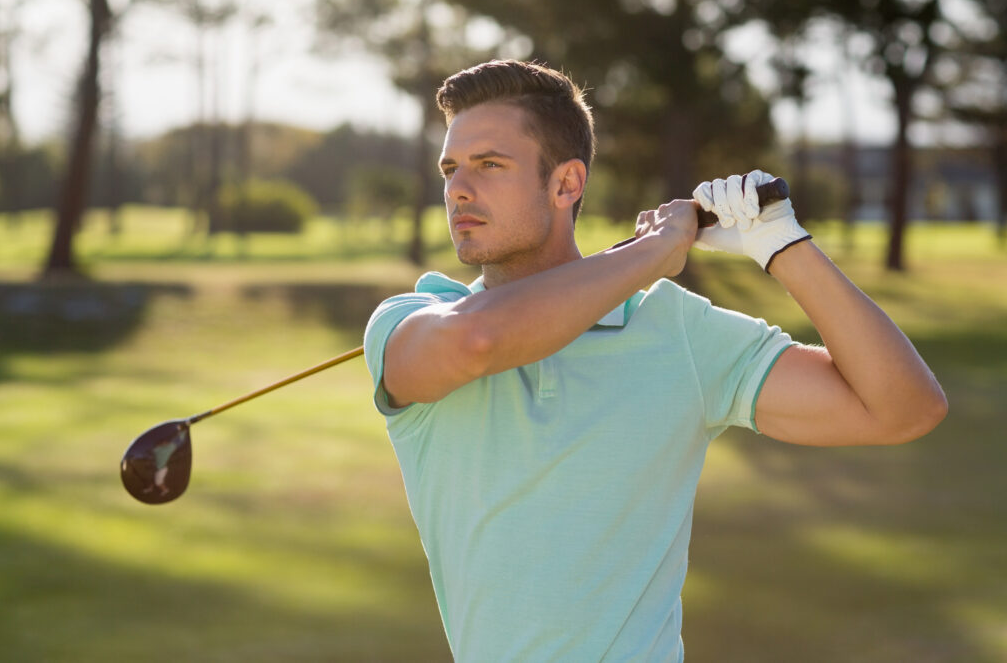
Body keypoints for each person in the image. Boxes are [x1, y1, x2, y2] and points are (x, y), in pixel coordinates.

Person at [363, 59, 947, 662]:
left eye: (490, 165)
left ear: (566, 184)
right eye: (451, 168)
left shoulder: (678, 331)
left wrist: (783, 247)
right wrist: (655, 253)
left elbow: (903, 409)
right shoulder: (412, 318)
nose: (459, 187)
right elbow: (477, 342)